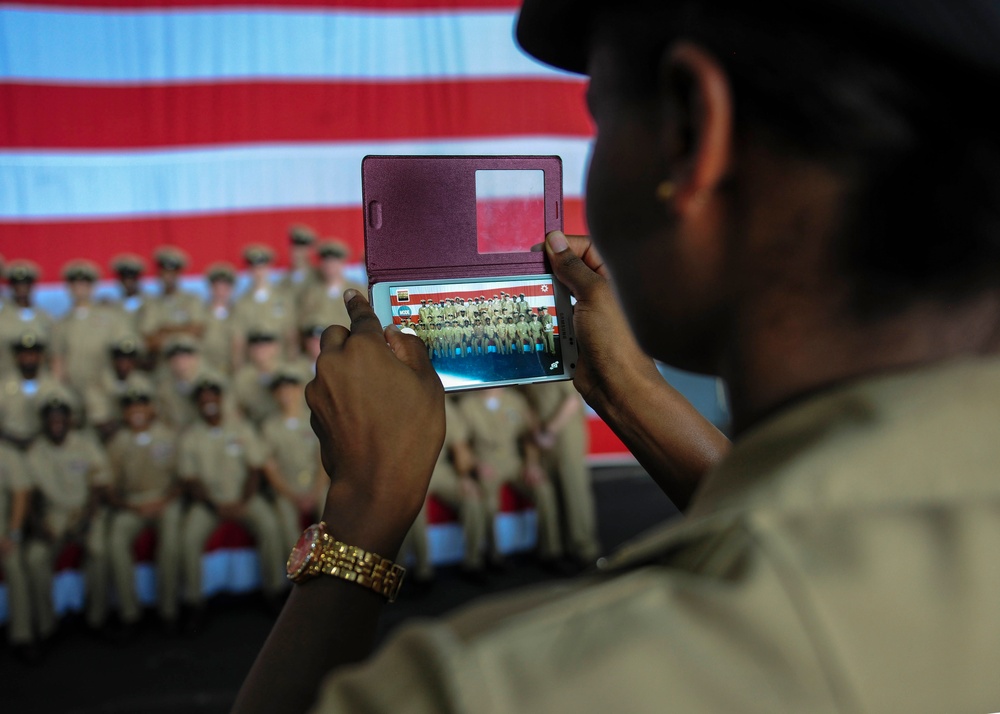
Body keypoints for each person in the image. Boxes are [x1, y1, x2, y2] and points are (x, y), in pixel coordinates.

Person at [234, 1, 1000, 712]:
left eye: (601, 119)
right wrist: (627, 388)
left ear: (692, 135)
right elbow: (822, 547)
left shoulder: (502, 688)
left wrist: (365, 509)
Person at [178, 372, 286, 628]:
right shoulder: (190, 436)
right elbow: (191, 480)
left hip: (243, 499)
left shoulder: (241, 428)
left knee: (270, 527)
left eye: (212, 397)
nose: (209, 402)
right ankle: (194, 602)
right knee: (189, 538)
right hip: (209, 504)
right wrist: (216, 506)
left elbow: (254, 469)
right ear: (197, 404)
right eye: (203, 399)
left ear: (220, 399)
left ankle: (275, 592)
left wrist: (242, 501)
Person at [106, 375, 183, 634]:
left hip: (164, 499)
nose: (137, 411)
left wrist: (164, 500)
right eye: (130, 406)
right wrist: (131, 507)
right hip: (133, 504)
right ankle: (129, 614)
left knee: (171, 542)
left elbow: (181, 479)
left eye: (142, 405)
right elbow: (110, 487)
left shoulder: (167, 436)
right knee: (116, 541)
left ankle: (169, 610)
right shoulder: (118, 442)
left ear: (151, 408)